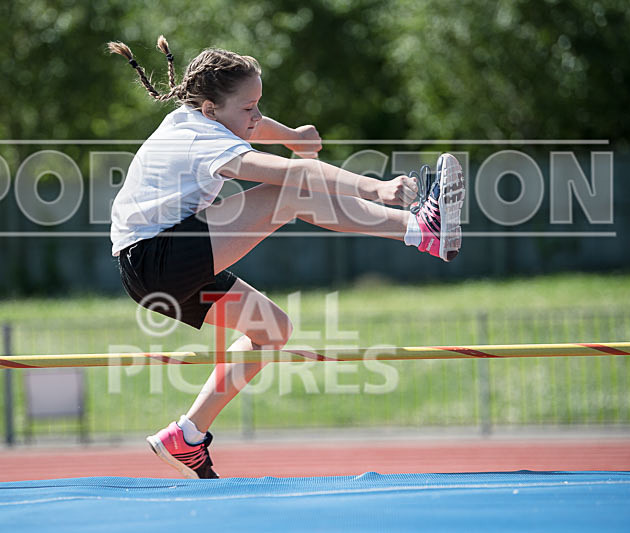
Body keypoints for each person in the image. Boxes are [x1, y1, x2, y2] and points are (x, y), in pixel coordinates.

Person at [108, 36, 465, 479]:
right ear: (210, 110)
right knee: (291, 193)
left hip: (149, 270)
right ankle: (420, 230)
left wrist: (292, 135)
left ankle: (188, 435)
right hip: (155, 257)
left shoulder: (197, 117)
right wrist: (376, 187)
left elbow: (254, 122)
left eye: (260, 104)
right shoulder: (203, 140)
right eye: (249, 108)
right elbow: (296, 174)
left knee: (271, 329)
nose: (257, 116)